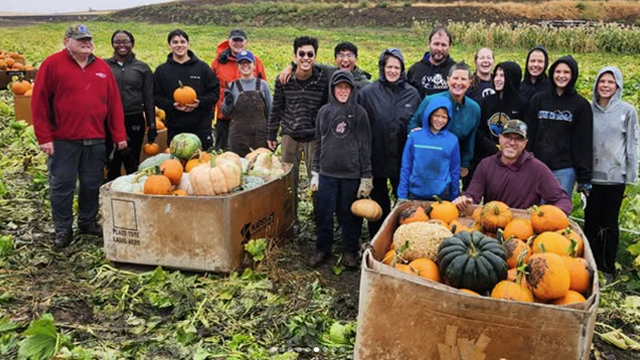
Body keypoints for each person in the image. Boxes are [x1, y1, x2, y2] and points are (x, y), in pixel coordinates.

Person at [31, 24, 127, 248]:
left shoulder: (102, 67)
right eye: (80, 39)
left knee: (91, 184)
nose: (86, 43)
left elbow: (114, 105)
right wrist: (44, 137)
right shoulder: (52, 65)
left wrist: (119, 134)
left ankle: (87, 222)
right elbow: (39, 103)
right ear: (67, 41)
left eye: (89, 39)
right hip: (64, 140)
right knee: (62, 185)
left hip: (95, 139)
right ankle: (63, 230)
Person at [309, 70, 372, 268]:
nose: (343, 91)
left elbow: (365, 145)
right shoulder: (324, 112)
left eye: (347, 87)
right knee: (324, 212)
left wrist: (366, 176)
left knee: (350, 214)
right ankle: (322, 249)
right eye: (339, 87)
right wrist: (315, 172)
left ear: (352, 90)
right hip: (327, 173)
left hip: (351, 174)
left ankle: (349, 251)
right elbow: (319, 142)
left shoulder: (360, 113)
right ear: (332, 89)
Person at [357, 48, 420, 238]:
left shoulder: (412, 95)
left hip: (403, 160)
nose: (392, 71)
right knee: (378, 206)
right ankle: (377, 240)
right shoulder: (368, 93)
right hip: (376, 158)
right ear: (382, 67)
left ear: (402, 69)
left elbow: (418, 125)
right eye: (389, 66)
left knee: (404, 203)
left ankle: (401, 237)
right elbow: (360, 127)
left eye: (397, 67)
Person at [585, 66, 639, 277]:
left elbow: (632, 145)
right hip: (591, 177)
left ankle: (606, 267)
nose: (605, 86)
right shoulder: (588, 109)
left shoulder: (627, 111)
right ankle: (589, 264)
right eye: (602, 81)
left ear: (618, 86)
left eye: (610, 82)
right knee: (591, 221)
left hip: (615, 178)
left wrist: (631, 176)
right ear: (596, 84)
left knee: (609, 223)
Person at [267, 36, 328, 220]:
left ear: (315, 56)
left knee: (316, 180)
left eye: (310, 54)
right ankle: (288, 220)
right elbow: (276, 107)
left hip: (313, 136)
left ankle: (319, 219)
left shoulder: (322, 79)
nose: (306, 58)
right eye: (302, 54)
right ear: (295, 56)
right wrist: (271, 133)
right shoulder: (284, 80)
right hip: (290, 134)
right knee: (287, 180)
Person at [453, 120, 572, 214]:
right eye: (508, 136)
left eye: (518, 139)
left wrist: (552, 216)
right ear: (500, 138)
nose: (512, 142)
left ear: (525, 143)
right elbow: (473, 196)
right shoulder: (486, 165)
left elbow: (562, 200)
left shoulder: (538, 169)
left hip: (524, 229)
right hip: (492, 225)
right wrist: (465, 199)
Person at [525, 55, 593, 197]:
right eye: (558, 72)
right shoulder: (538, 100)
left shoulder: (581, 105)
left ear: (573, 75)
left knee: (556, 213)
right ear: (552, 74)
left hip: (564, 169)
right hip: (536, 166)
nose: (561, 76)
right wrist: (525, 160)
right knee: (532, 211)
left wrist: (584, 177)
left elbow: (583, 142)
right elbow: (529, 134)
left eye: (566, 72)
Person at [408, 62, 481, 181]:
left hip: (451, 164)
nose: (458, 83)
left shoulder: (474, 109)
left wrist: (464, 163)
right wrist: (415, 136)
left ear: (470, 82)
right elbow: (413, 123)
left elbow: (470, 140)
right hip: (426, 162)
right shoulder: (430, 101)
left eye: (463, 79)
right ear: (448, 80)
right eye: (455, 78)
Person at [154, 29, 219, 149]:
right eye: (175, 42)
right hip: (175, 127)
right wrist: (172, 105)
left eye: (182, 42)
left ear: (188, 44)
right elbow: (156, 96)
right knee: (177, 162)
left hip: (201, 127)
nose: (179, 45)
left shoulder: (202, 68)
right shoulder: (162, 71)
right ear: (169, 45)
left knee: (202, 162)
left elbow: (214, 93)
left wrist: (199, 103)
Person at [104, 29, 155, 181]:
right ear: (112, 44)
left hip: (133, 117)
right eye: (117, 42)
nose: (122, 45)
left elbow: (148, 96)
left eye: (125, 41)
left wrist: (152, 124)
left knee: (132, 159)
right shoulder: (104, 66)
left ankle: (132, 188)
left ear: (132, 44)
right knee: (113, 159)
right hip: (110, 119)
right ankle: (112, 188)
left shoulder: (142, 68)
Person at [467, 61, 528, 189]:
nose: (498, 79)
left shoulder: (522, 104)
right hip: (486, 155)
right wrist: (493, 148)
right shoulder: (486, 101)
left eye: (502, 75)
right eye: (496, 75)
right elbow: (479, 130)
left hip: (511, 158)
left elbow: (524, 133)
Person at [212, 29, 267, 151]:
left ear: (246, 42)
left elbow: (263, 90)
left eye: (240, 40)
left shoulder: (255, 61)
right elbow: (212, 89)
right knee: (224, 155)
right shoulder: (218, 62)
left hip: (250, 119)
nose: (238, 43)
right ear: (229, 42)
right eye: (234, 40)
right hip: (225, 117)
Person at [398, 96, 460, 201]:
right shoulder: (414, 137)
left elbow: (454, 170)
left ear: (449, 118)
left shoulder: (452, 140)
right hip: (415, 192)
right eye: (436, 115)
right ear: (429, 115)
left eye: (444, 117)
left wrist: (454, 196)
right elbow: (406, 167)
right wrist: (402, 195)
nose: (439, 120)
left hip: (441, 194)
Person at [220, 50, 272, 157]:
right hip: (238, 137)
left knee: (260, 168)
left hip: (260, 136)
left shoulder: (262, 85)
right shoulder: (232, 86)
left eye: (248, 63)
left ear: (254, 65)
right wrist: (228, 103)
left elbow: (271, 110)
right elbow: (225, 113)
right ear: (237, 66)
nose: (245, 66)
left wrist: (272, 134)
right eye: (242, 63)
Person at [278, 41, 371, 94]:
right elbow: (308, 63)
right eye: (341, 55)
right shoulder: (330, 72)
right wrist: (291, 66)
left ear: (356, 59)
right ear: (335, 59)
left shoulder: (364, 83)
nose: (345, 60)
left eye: (349, 56)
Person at [407, 27, 456, 99]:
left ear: (449, 46)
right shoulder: (415, 70)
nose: (439, 49)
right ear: (429, 43)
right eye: (436, 44)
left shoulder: (455, 71)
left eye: (443, 45)